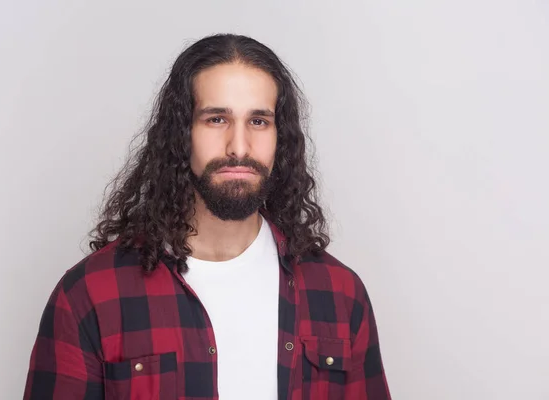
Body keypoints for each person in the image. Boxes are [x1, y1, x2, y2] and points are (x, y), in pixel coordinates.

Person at [24, 33, 391, 400]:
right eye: (217, 119)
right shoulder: (89, 294)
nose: (239, 147)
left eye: (259, 121)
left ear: (282, 138)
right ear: (181, 134)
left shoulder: (340, 293)